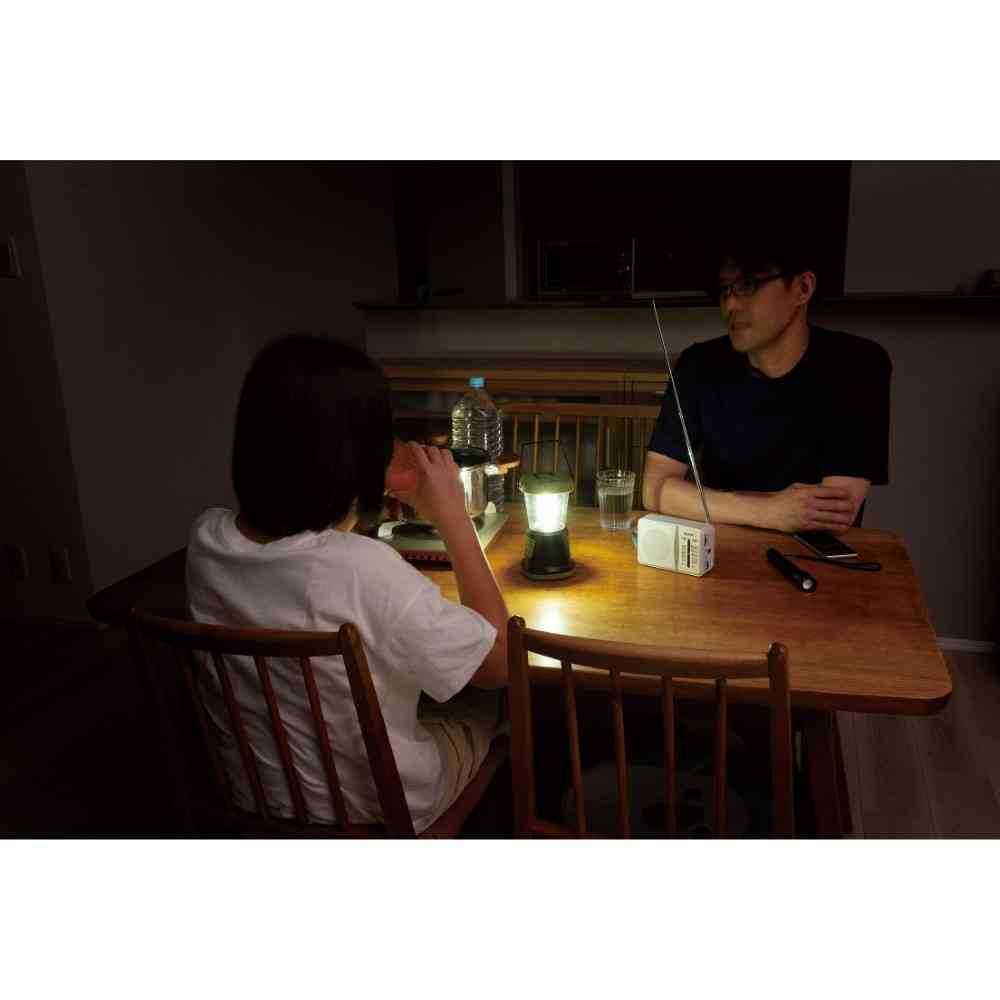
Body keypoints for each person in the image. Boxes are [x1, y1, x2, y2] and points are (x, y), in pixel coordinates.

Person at [185, 335, 509, 834]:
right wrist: (452, 515)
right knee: (496, 705)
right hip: (377, 811)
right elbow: (498, 664)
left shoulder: (207, 539)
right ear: (358, 455)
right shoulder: (364, 569)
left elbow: (310, 565)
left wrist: (357, 498)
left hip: (258, 796)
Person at [642, 235, 892, 533]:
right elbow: (654, 489)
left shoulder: (857, 364)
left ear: (803, 288)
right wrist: (770, 510)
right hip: (722, 550)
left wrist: (706, 502)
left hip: (812, 555)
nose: (730, 303)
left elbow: (833, 514)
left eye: (748, 284)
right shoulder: (698, 364)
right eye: (724, 290)